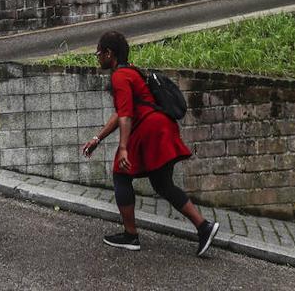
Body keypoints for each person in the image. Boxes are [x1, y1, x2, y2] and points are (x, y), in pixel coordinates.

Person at [81, 30, 220, 255]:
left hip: (148, 129)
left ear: (109, 54)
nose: (98, 58)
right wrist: (98, 138)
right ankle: (204, 227)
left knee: (120, 175)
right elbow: (121, 113)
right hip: (162, 127)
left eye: (99, 53)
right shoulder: (131, 72)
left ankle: (130, 235)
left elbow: (126, 115)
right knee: (163, 184)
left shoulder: (119, 77)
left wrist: (124, 148)